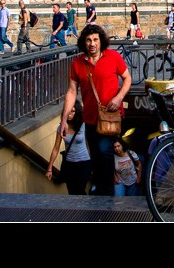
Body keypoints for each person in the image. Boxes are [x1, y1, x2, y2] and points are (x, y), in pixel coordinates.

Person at [61, 24, 132, 196]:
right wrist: (64, 119)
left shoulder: (113, 56)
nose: (92, 44)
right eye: (88, 40)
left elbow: (127, 78)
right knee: (97, 156)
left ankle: (105, 196)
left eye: (95, 40)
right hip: (91, 118)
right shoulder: (78, 63)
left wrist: (119, 97)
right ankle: (102, 194)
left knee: (104, 152)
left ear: (101, 41)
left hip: (111, 118)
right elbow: (72, 92)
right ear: (83, 43)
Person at [46, 100, 91, 195]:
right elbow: (56, 148)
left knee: (80, 190)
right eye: (68, 111)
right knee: (72, 192)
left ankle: (85, 209)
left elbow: (88, 143)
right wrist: (49, 168)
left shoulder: (83, 125)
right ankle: (76, 210)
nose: (70, 113)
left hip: (84, 163)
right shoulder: (61, 127)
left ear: (77, 112)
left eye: (73, 111)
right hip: (69, 164)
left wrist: (92, 160)